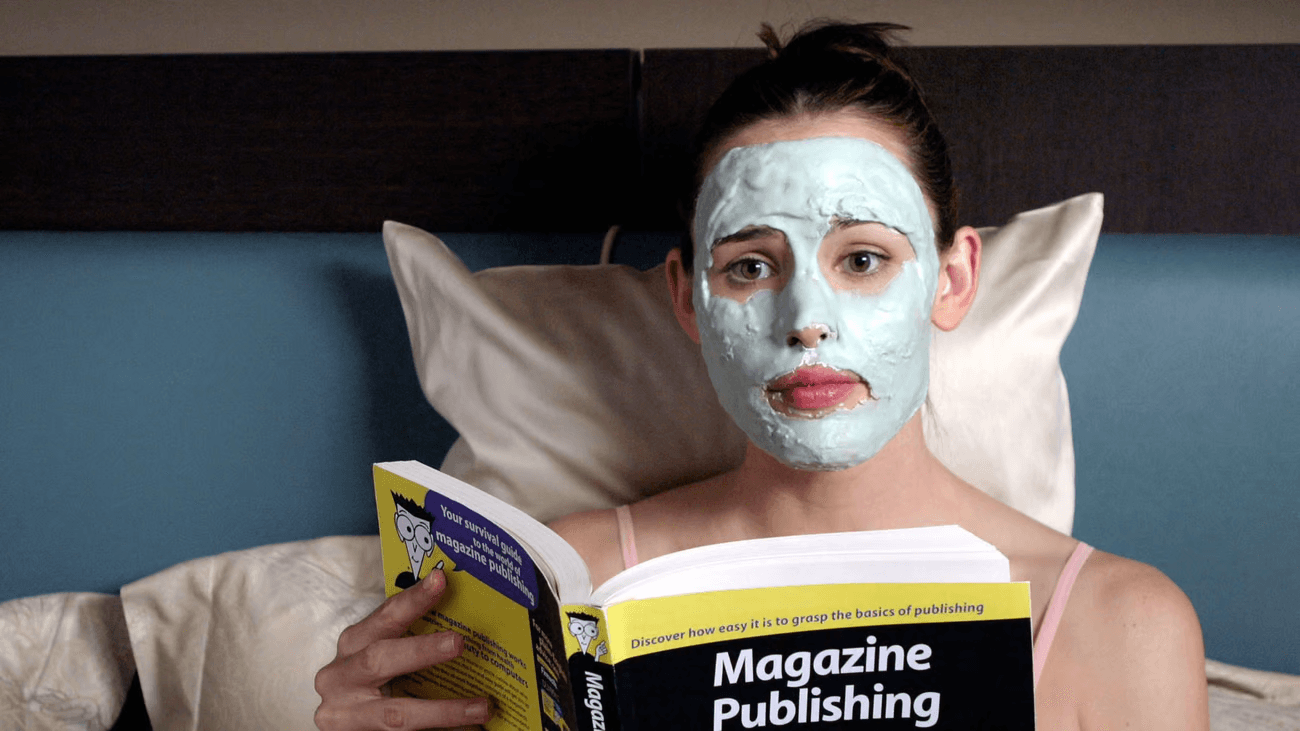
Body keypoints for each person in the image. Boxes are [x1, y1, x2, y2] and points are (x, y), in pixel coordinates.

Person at [314, 22, 1210, 731]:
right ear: (689, 299)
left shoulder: (1120, 622)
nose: (805, 319)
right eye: (750, 267)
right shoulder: (561, 592)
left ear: (953, 279)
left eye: (862, 259)